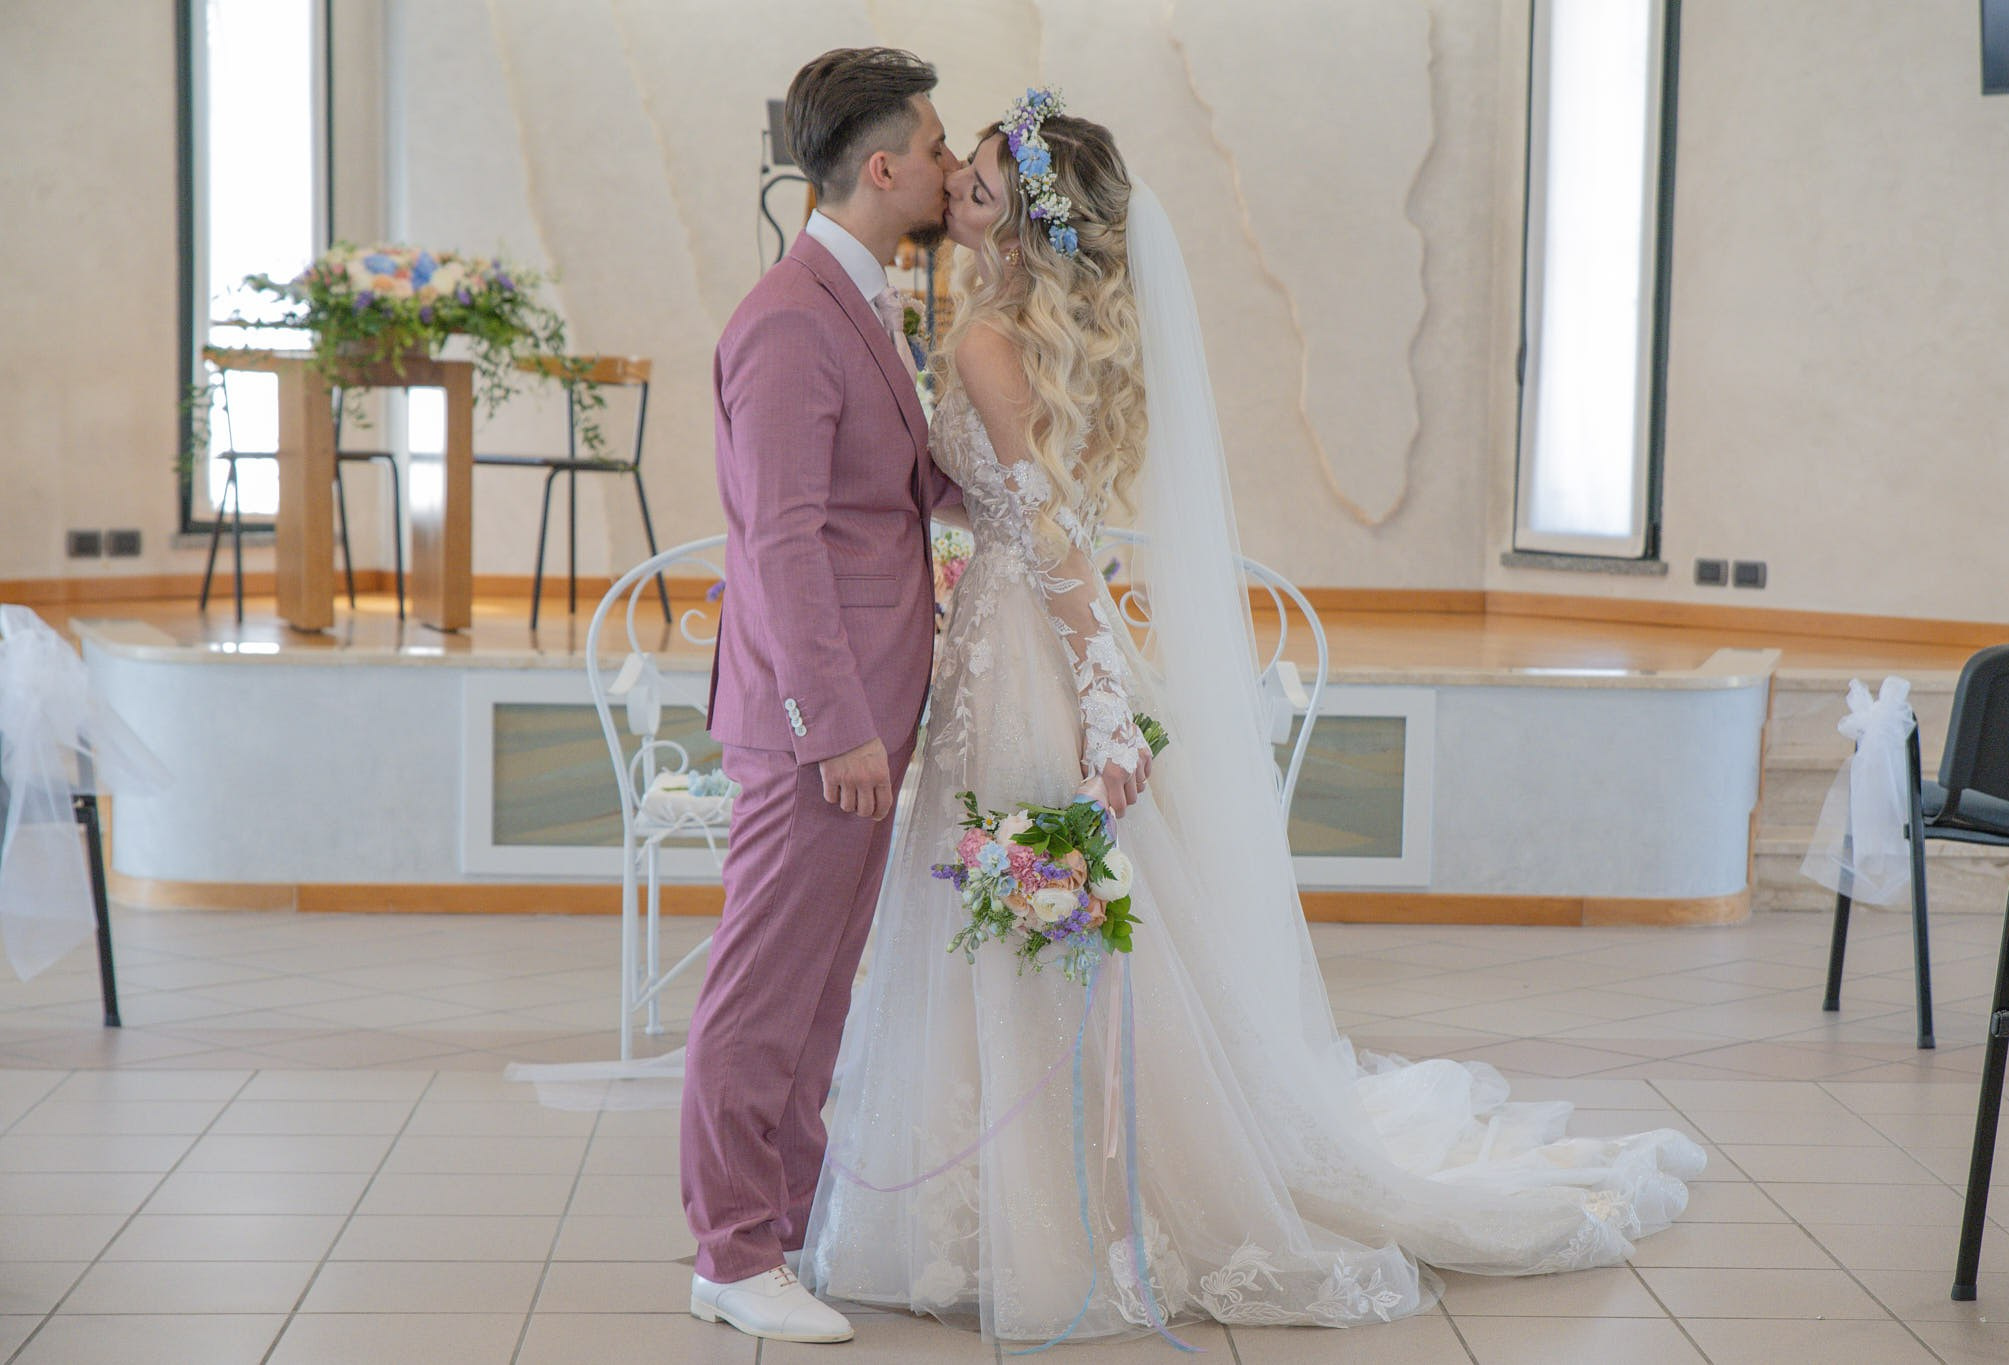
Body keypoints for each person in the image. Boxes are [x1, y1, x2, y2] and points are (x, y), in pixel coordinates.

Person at [800, 89, 1705, 1347]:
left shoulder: (985, 343)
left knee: (1035, 921)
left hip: (1027, 655)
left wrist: (1104, 706)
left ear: (1018, 214)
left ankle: (1079, 1212)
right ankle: (1040, 1198)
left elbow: (1049, 535)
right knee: (1043, 923)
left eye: (978, 179)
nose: (952, 185)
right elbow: (1015, 507)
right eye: (953, 171)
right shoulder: (1001, 327)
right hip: (1017, 637)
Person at [680, 47, 960, 1345]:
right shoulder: (791, 316)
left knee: (820, 995)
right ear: (886, 164)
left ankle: (781, 1231)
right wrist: (836, 722)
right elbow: (779, 540)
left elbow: (895, 494)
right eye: (942, 148)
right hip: (819, 732)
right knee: (762, 992)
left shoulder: (865, 301)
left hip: (871, 720)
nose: (955, 169)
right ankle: (730, 1252)